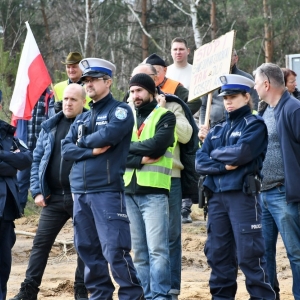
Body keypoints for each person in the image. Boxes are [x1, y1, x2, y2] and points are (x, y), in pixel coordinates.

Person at [61, 58, 143, 299]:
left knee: (115, 251)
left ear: (108, 82)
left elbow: (110, 134)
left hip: (106, 191)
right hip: (81, 193)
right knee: (88, 252)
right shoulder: (83, 118)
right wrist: (89, 149)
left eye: (93, 80)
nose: (88, 84)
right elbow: (66, 149)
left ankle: (132, 295)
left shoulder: (120, 110)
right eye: (85, 80)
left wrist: (82, 142)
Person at [195, 74, 276, 299]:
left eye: (232, 97)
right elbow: (199, 161)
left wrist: (214, 154)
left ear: (246, 96)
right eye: (226, 97)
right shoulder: (218, 129)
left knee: (251, 256)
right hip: (217, 199)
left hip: (242, 197)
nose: (228, 101)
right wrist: (223, 164)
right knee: (218, 255)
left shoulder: (255, 124)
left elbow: (241, 154)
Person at [10, 84, 88, 300]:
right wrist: (37, 190)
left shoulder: (90, 124)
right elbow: (37, 159)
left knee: (85, 244)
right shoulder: (51, 126)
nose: (68, 103)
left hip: (80, 197)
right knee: (40, 245)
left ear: (83, 102)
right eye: (66, 99)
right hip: (52, 197)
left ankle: (81, 290)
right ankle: (28, 291)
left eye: (74, 99)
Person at [124, 73, 176, 299]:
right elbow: (115, 153)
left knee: (158, 251)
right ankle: (144, 295)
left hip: (154, 193)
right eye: (132, 91)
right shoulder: (126, 118)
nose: (135, 95)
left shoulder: (165, 116)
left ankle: (161, 296)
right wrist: (139, 157)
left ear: (151, 92)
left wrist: (129, 148)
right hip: (129, 192)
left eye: (139, 91)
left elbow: (157, 146)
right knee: (139, 254)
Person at [255, 63, 300, 300]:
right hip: (263, 194)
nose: (254, 87)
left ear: (266, 84)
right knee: (264, 254)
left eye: (255, 82)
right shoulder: (265, 110)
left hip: (284, 193)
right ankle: (269, 296)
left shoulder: (293, 109)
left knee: (296, 252)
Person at [0, 95, 33, 300]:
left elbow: (26, 158)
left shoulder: (6, 132)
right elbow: (15, 163)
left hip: (5, 210)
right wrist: (10, 160)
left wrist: (4, 156)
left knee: (2, 265)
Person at [11, 88, 54, 213]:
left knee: (46, 178)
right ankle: (18, 210)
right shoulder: (24, 97)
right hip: (25, 146)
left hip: (44, 147)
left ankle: (49, 211)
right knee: (21, 180)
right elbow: (16, 119)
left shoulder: (50, 96)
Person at [200, 49, 260, 128]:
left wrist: (250, 125)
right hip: (214, 127)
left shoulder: (246, 79)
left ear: (236, 58)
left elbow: (255, 106)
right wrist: (204, 126)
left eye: (228, 56)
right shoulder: (211, 80)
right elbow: (204, 106)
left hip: (240, 126)